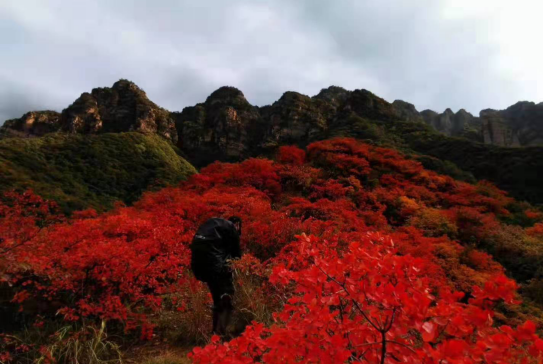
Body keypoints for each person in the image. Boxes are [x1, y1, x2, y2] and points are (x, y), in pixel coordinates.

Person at [190, 216, 242, 337]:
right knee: (227, 296)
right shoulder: (231, 229)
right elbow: (237, 256)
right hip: (217, 269)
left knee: (217, 298)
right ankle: (221, 334)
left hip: (200, 267)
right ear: (237, 225)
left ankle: (215, 332)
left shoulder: (213, 227)